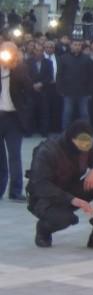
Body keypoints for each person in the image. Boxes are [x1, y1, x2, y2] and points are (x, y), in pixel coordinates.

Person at [26, 121, 93, 250]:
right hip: (44, 199)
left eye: (88, 142)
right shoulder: (48, 151)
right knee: (66, 219)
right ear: (71, 139)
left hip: (70, 190)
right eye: (81, 142)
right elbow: (40, 185)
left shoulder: (87, 145)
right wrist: (72, 199)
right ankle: (43, 229)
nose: (85, 146)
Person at [0, 42, 33, 201]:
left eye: (8, 51)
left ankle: (15, 191)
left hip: (13, 118)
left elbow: (29, 89)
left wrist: (15, 67)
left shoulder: (20, 68)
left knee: (14, 155)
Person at [57, 40, 93, 131]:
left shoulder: (87, 59)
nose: (77, 46)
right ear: (71, 46)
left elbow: (91, 76)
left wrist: (90, 91)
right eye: (75, 45)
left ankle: (86, 132)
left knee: (84, 114)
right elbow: (59, 75)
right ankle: (65, 132)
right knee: (67, 113)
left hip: (83, 91)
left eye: (79, 45)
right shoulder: (63, 58)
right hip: (68, 91)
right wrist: (60, 90)